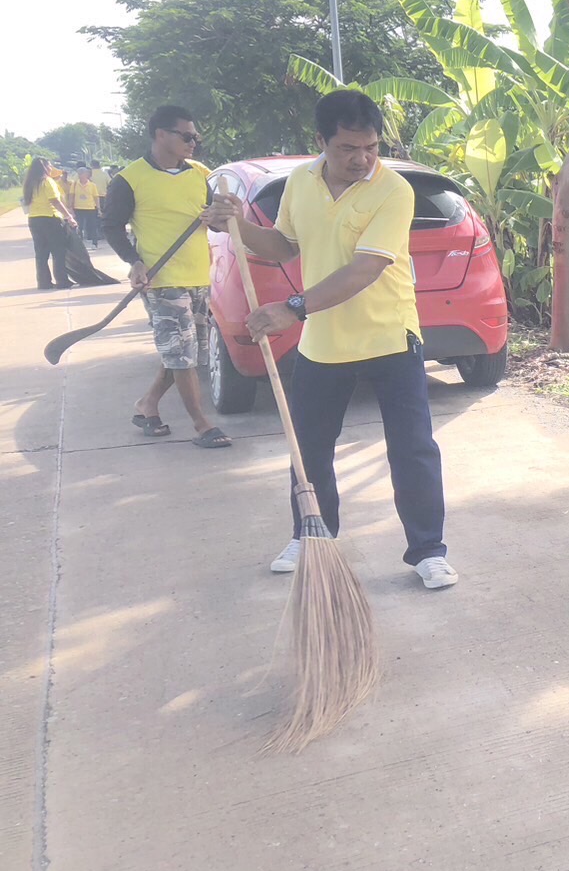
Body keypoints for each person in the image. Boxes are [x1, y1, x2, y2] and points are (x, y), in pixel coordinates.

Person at [202, 90, 457, 589]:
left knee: (412, 450)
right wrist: (238, 225)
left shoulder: (393, 190)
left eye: (371, 148)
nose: (362, 159)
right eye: (347, 149)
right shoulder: (300, 182)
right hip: (324, 342)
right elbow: (283, 245)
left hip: (389, 338)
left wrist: (291, 308)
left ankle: (428, 550)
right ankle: (312, 536)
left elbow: (366, 268)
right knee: (310, 448)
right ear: (320, 142)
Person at [102, 105, 232, 448]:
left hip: (198, 278)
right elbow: (111, 225)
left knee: (186, 353)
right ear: (162, 135)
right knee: (182, 355)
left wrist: (223, 214)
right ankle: (202, 424)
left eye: (195, 137)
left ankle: (147, 405)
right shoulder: (129, 179)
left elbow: (215, 222)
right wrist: (134, 262)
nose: (193, 142)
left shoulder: (197, 176)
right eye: (187, 136)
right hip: (161, 281)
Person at [23, 158, 77, 290]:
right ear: (45, 167)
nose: (51, 168)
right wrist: (68, 216)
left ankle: (43, 282)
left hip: (34, 219)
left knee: (41, 252)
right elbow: (55, 201)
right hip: (50, 218)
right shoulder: (47, 182)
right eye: (50, 165)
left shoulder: (29, 183)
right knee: (58, 251)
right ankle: (62, 280)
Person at [72, 166, 102, 245]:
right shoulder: (74, 184)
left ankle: (94, 243)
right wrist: (70, 208)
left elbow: (96, 197)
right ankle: (79, 243)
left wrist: (98, 208)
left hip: (90, 208)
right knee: (79, 226)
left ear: (86, 174)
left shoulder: (92, 185)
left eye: (82, 173)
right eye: (79, 173)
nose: (80, 175)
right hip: (78, 208)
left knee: (92, 226)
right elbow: (71, 195)